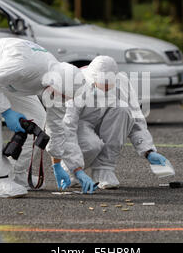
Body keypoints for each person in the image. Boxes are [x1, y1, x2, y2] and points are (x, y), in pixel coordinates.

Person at [0, 38, 97, 198]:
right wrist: (6, 111)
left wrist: (66, 167)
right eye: (61, 96)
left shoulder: (59, 80)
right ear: (52, 85)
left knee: (38, 116)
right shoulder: (25, 65)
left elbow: (56, 126)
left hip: (10, 79)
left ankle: (18, 173)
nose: (60, 100)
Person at [46, 56, 174, 189]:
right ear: (93, 79)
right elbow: (68, 127)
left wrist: (148, 150)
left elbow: (136, 118)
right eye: (102, 85)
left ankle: (104, 169)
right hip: (80, 125)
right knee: (92, 145)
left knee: (123, 110)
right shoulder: (76, 84)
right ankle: (70, 172)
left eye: (109, 86)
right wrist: (76, 169)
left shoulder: (123, 83)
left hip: (104, 123)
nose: (106, 89)